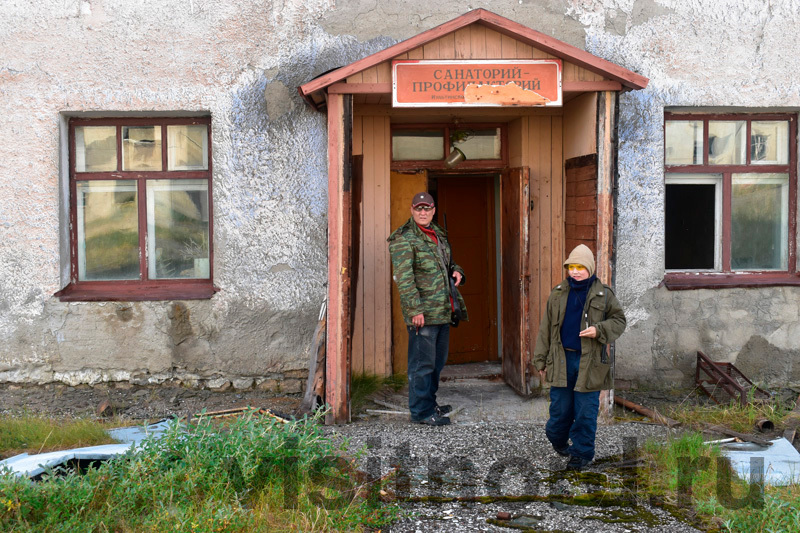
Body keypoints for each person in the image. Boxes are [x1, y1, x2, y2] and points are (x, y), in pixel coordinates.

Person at [533, 244, 626, 470]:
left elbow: (619, 321)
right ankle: (559, 440)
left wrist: (599, 330)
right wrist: (540, 360)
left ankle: (582, 454)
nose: (575, 271)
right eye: (571, 267)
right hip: (561, 360)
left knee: (585, 412)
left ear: (590, 268)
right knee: (559, 413)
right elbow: (545, 329)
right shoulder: (557, 294)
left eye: (580, 267)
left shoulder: (604, 295)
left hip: (590, 363)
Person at [388, 191, 468, 426]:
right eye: (418, 208)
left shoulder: (437, 233)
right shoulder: (404, 238)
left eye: (427, 208)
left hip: (442, 310)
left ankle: (429, 403)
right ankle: (421, 412)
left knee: (435, 363)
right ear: (412, 210)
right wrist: (415, 310)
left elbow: (447, 262)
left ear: (433, 210)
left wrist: (458, 271)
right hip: (423, 314)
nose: (423, 212)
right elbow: (404, 278)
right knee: (421, 365)